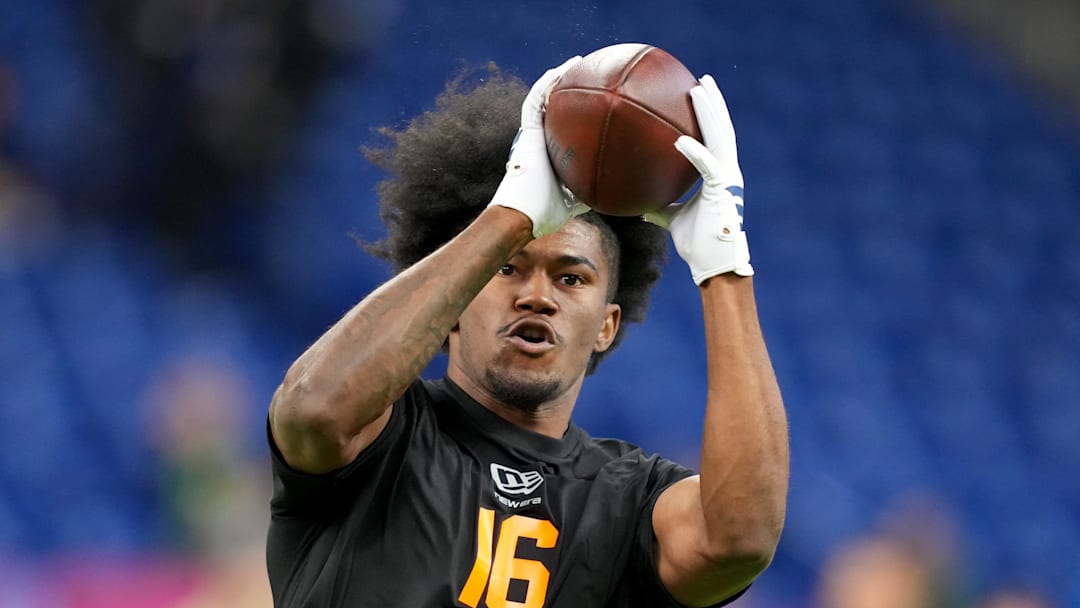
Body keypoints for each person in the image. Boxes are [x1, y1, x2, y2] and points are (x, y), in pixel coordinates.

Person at [265, 55, 789, 607]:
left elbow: (740, 541)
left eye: (571, 277)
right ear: (455, 300)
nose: (537, 296)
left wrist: (725, 265)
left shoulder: (628, 499)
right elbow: (313, 408)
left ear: (606, 326)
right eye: (506, 267)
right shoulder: (383, 435)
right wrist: (509, 215)